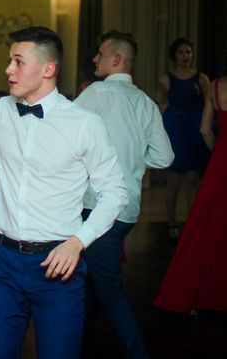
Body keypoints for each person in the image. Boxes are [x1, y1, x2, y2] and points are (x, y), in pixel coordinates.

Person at [0, 26, 128, 359]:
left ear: (48, 69)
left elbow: (115, 192)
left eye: (18, 62)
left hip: (57, 265)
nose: (8, 69)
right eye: (10, 60)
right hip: (2, 263)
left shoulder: (84, 124)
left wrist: (77, 242)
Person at [74, 30, 174, 359]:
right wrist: (132, 158)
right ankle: (73, 345)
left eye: (100, 54)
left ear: (116, 59)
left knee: (110, 291)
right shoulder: (146, 102)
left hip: (97, 208)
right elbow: (164, 158)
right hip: (128, 212)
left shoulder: (97, 93)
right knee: (90, 282)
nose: (95, 59)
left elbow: (62, 130)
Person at [154, 75, 227, 314]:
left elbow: (205, 129)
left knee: (207, 227)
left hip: (221, 161)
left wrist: (219, 153)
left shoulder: (215, 86)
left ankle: (193, 295)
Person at [158, 37, 210, 240]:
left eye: (188, 52)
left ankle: (192, 225)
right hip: (175, 129)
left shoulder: (202, 78)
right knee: (173, 180)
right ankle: (171, 225)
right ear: (174, 56)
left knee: (193, 179)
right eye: (181, 52)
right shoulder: (165, 79)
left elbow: (208, 104)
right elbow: (162, 104)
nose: (185, 56)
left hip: (195, 129)